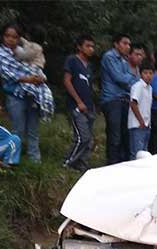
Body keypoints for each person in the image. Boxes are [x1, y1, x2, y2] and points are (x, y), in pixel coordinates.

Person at [0, 24, 54, 163]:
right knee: (18, 130)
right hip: (15, 95)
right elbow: (5, 72)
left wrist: (40, 78)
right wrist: (28, 79)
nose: (10, 39)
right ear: (3, 37)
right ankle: (13, 160)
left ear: (19, 38)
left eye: (14, 37)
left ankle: (35, 161)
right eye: (7, 36)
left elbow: (35, 67)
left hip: (32, 95)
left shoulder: (24, 51)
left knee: (33, 131)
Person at [100, 33, 137, 164]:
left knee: (124, 134)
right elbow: (119, 78)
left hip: (124, 99)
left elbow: (130, 80)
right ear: (116, 44)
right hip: (112, 99)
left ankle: (120, 162)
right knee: (114, 135)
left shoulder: (125, 60)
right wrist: (132, 78)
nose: (128, 47)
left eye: (129, 44)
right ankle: (111, 163)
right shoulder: (109, 57)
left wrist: (131, 79)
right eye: (125, 43)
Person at [62, 34, 96, 172]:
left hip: (89, 106)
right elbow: (67, 81)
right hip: (77, 105)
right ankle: (67, 162)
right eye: (87, 46)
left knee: (88, 140)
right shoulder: (72, 60)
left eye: (92, 46)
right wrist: (78, 101)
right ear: (79, 47)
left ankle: (81, 164)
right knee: (83, 137)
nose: (91, 49)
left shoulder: (89, 66)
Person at [128, 61, 153, 160]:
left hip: (146, 125)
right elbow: (133, 103)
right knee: (136, 153)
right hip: (137, 125)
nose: (148, 76)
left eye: (150, 73)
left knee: (144, 154)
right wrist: (141, 121)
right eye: (145, 73)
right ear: (141, 74)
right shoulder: (138, 86)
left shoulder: (149, 88)